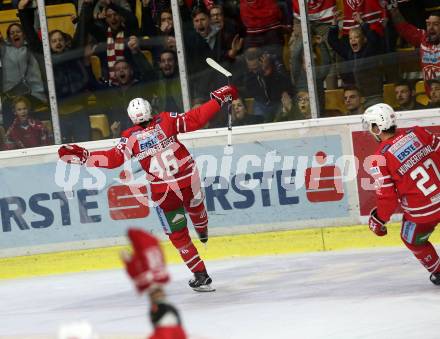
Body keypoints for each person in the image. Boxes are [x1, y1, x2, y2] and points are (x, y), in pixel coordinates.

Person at [58, 85, 238, 291]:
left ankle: (201, 275)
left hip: (164, 192)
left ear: (131, 117)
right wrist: (218, 99)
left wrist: (85, 157)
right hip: (189, 179)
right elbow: (195, 118)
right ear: (150, 109)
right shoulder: (167, 119)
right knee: (195, 204)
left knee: (178, 234)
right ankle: (202, 227)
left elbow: (112, 160)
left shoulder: (130, 137)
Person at [362, 103, 440, 285]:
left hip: (422, 214)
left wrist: (379, 220)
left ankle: (438, 271)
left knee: (411, 239)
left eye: (370, 126)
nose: (370, 131)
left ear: (377, 127)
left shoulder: (379, 159)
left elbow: (387, 197)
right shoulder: (419, 132)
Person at [122, 228, 186, 339]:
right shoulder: (151, 244)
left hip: (163, 311)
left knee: (159, 305)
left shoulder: (146, 248)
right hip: (165, 307)